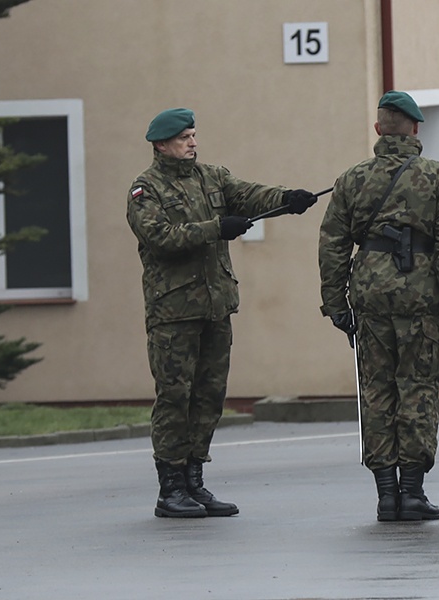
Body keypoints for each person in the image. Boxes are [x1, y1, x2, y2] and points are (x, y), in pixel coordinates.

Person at [126, 108, 317, 518]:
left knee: (209, 395)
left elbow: (247, 194)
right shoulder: (146, 189)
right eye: (184, 137)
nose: (192, 143)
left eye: (194, 135)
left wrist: (286, 199)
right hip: (174, 310)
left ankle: (195, 479)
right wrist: (217, 228)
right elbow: (160, 238)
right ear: (161, 144)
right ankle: (170, 487)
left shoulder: (210, 177)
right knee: (176, 396)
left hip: (215, 306)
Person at [318, 91, 439, 522]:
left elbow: (331, 245)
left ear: (378, 129)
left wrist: (335, 302)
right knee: (417, 389)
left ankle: (386, 494)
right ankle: (413, 492)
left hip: (368, 297)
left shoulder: (352, 179)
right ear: (416, 129)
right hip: (421, 298)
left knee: (376, 390)